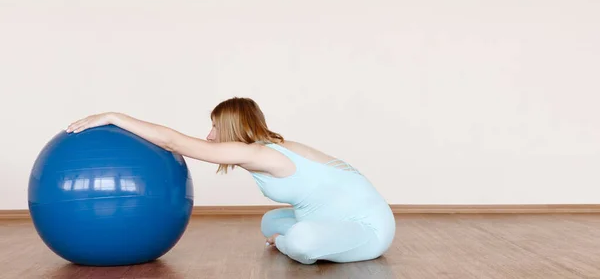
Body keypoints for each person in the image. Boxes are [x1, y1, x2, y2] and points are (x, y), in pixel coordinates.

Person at [66, 97, 396, 265]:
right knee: (270, 221)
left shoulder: (259, 154)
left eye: (214, 127)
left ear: (232, 128)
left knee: (299, 241)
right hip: (327, 218)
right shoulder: (265, 150)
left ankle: (288, 243)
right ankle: (289, 236)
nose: (209, 136)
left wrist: (114, 117)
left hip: (367, 227)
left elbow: (175, 143)